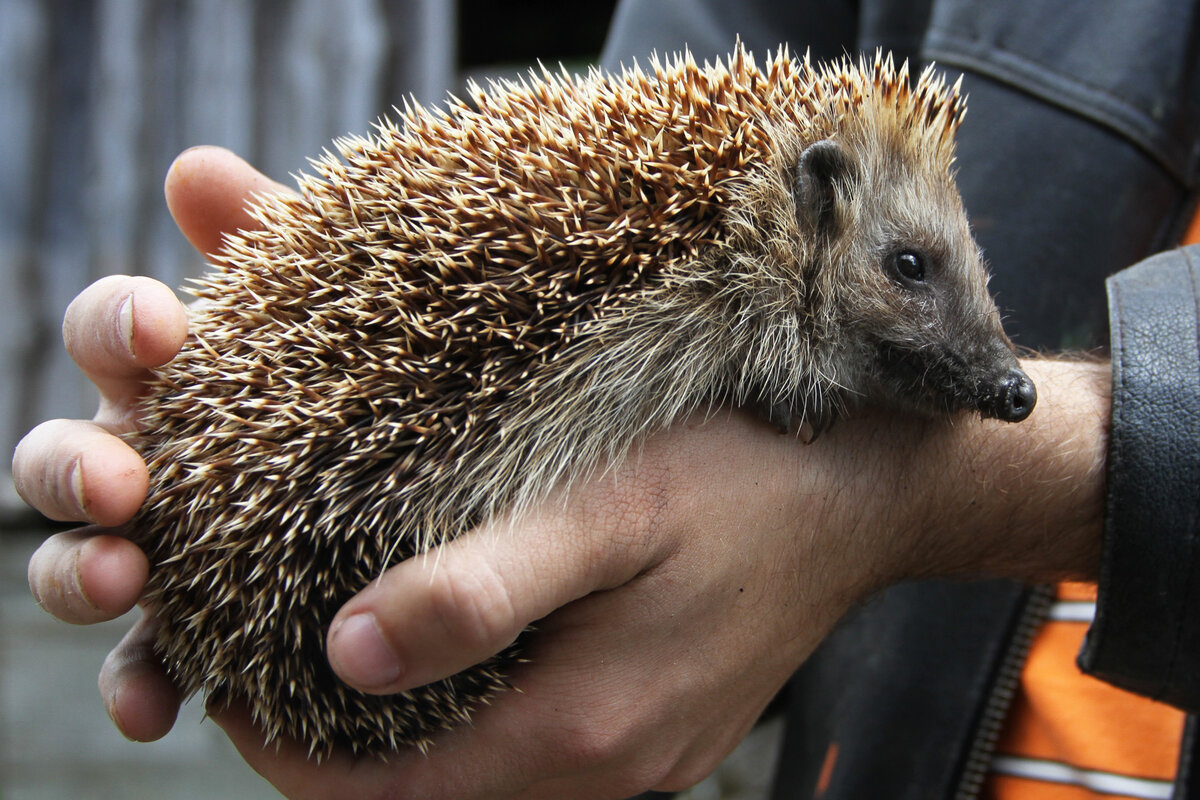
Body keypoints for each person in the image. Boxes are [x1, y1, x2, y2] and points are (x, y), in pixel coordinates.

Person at [12, 1, 1200, 798]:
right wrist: (240, 412)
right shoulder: (723, 249)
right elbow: (585, 180)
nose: (987, 362)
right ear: (811, 204)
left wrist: (900, 500)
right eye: (910, 271)